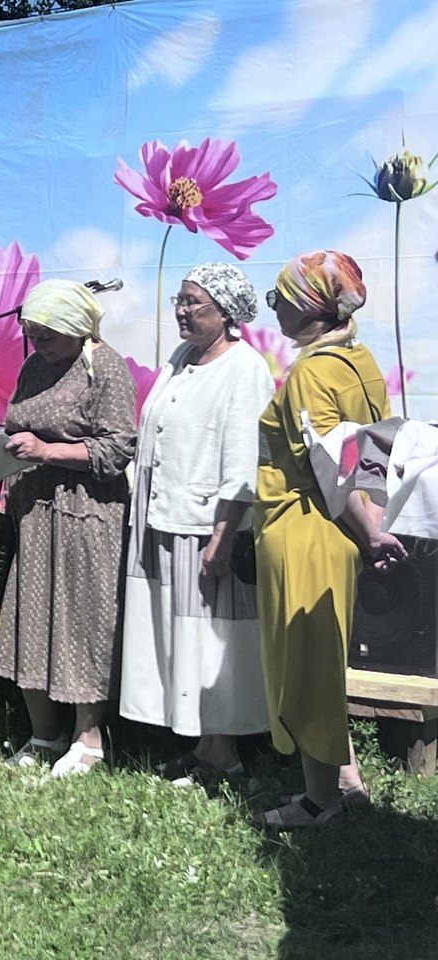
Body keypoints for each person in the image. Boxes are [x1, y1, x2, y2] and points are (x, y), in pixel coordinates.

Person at [254, 250, 407, 828]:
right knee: (326, 658)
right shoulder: (358, 360)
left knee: (306, 666)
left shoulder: (311, 372)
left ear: (310, 306)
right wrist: (373, 527)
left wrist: (370, 535)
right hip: (346, 529)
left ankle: (319, 803)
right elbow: (377, 453)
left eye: (280, 298)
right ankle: (346, 781)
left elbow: (327, 462)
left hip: (307, 527)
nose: (274, 309)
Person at [118, 263, 274, 786]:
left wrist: (222, 540)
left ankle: (224, 753)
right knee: (178, 635)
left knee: (211, 638)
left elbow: (244, 464)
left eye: (193, 302)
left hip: (206, 527)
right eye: (179, 300)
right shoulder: (182, 358)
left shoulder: (244, 369)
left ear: (226, 313)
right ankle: (203, 743)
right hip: (164, 519)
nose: (182, 311)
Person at [0, 279, 136, 775]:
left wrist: (48, 450)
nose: (39, 344)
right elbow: (18, 422)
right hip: (34, 511)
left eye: (48, 335)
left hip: (86, 513)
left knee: (82, 619)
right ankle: (43, 734)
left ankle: (88, 738)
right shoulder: (34, 366)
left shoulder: (105, 368)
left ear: (77, 328)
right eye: (32, 334)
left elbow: (117, 449)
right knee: (30, 616)